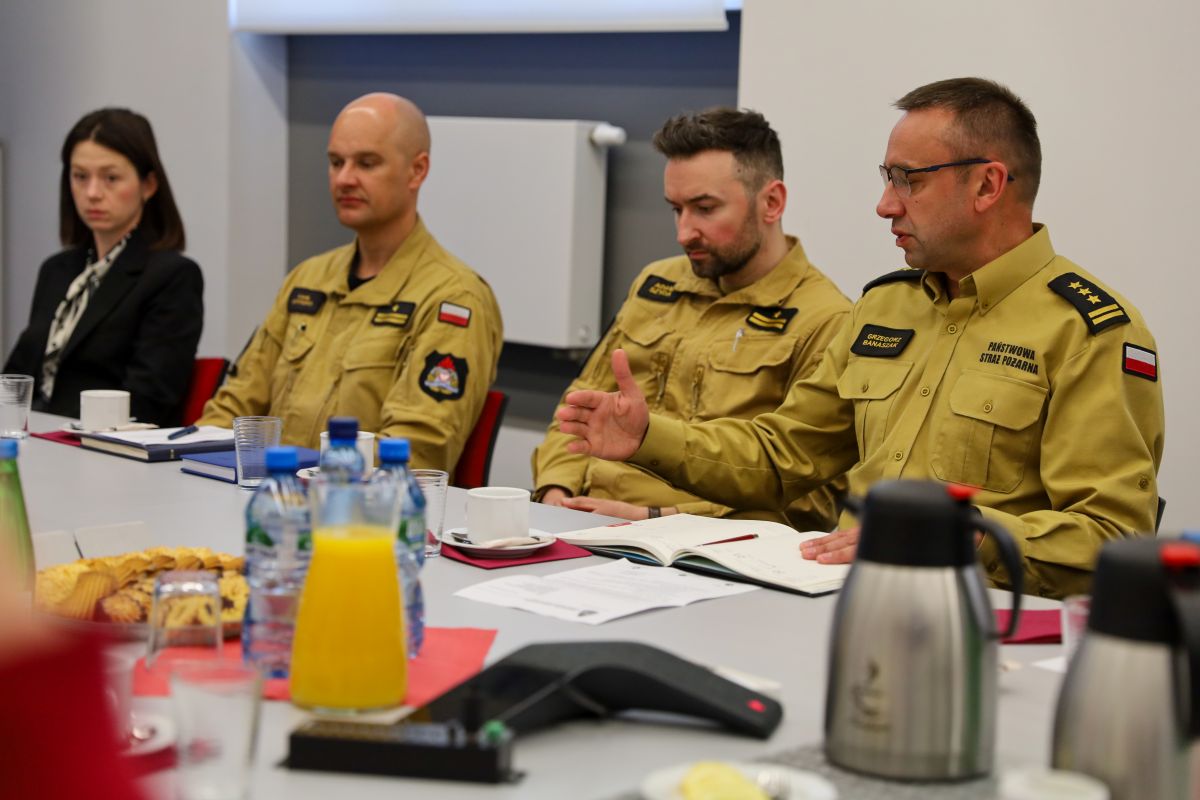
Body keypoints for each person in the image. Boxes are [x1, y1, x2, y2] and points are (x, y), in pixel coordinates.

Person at [556, 78, 1165, 599]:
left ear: (987, 186)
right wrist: (648, 437)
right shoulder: (884, 308)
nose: (884, 205)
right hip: (833, 598)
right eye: (886, 178)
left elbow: (1113, 538)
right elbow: (783, 457)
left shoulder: (1088, 331)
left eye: (907, 180)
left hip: (976, 617)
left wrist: (963, 536)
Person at [533, 108, 850, 530]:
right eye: (676, 209)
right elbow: (580, 404)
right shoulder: (657, 282)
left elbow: (812, 495)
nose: (684, 233)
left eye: (704, 208)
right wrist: (555, 491)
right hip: (581, 523)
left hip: (696, 546)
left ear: (771, 203)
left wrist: (656, 519)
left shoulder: (826, 319)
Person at [198, 93, 502, 469]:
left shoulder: (453, 298)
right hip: (270, 493)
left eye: (367, 163)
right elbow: (235, 408)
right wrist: (190, 458)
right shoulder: (307, 278)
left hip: (357, 502)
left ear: (417, 170)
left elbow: (415, 452)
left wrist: (300, 476)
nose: (344, 179)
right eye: (336, 162)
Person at [4, 108, 203, 427]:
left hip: (98, 445)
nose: (93, 193)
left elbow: (148, 399)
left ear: (149, 185)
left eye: (111, 178)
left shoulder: (172, 276)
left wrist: (50, 430)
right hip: (31, 438)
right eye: (80, 176)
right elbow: (16, 378)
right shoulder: (56, 270)